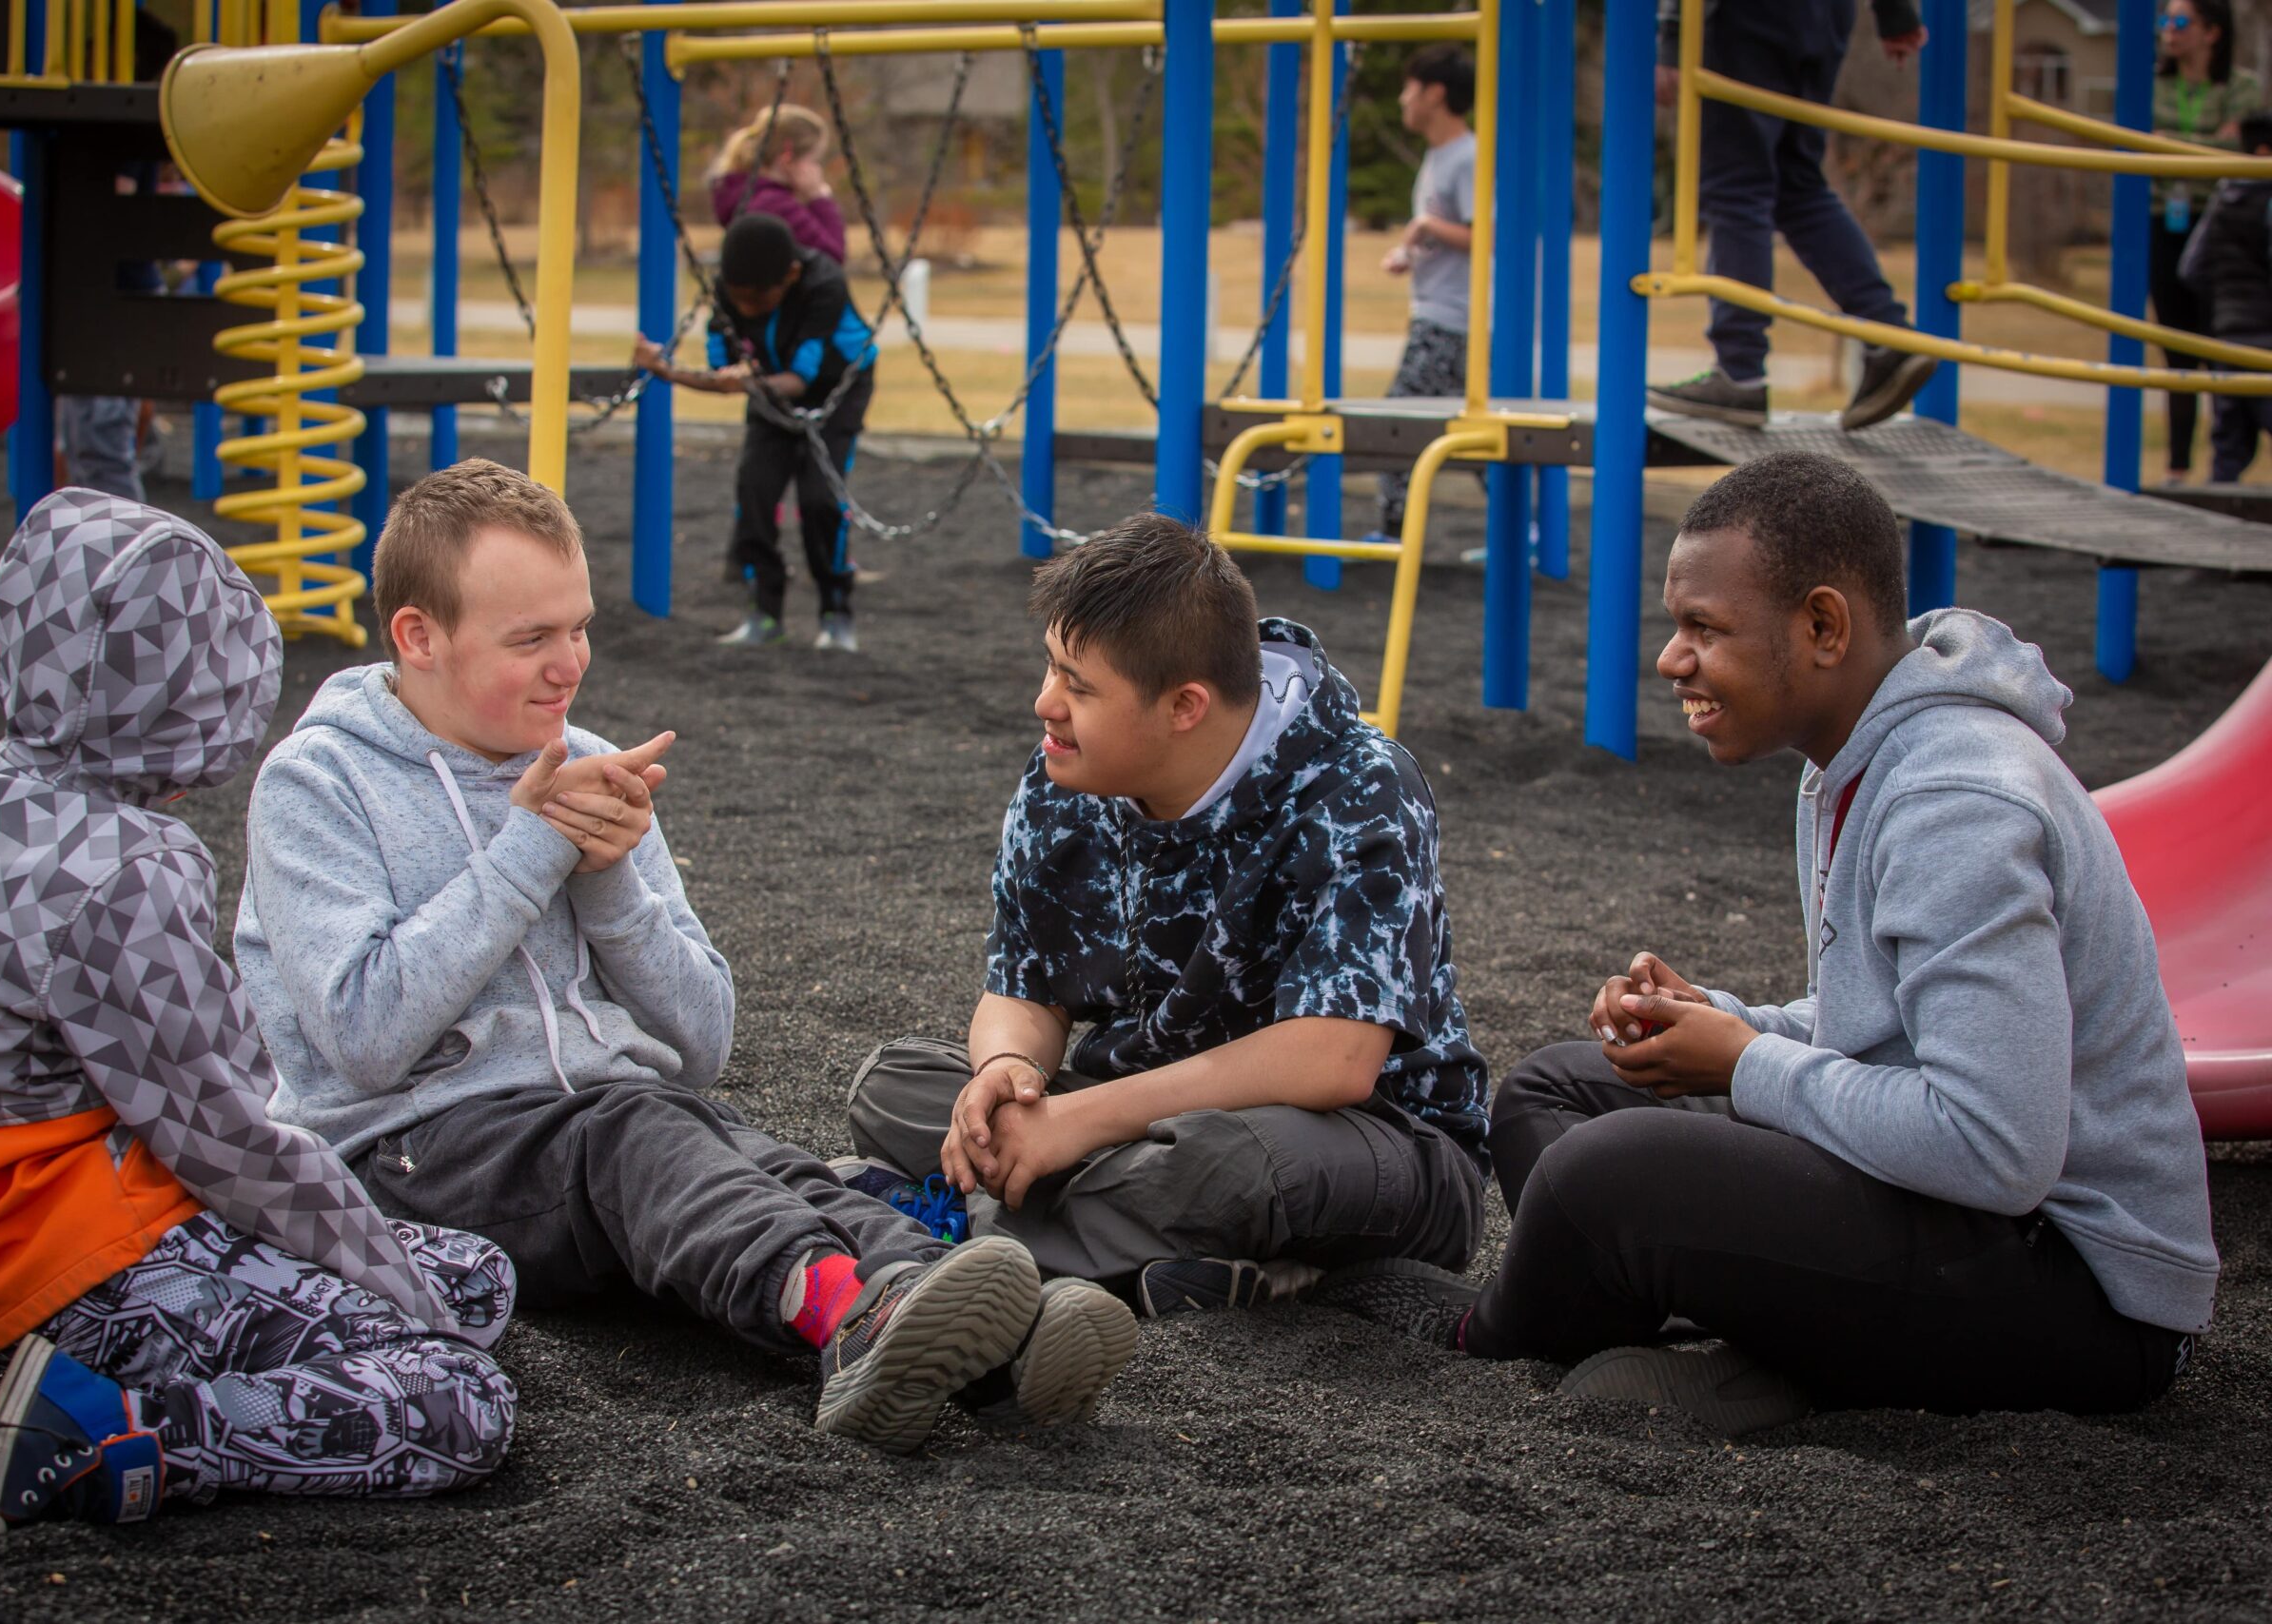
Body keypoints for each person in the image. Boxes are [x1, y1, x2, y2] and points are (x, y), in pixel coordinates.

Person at [1317, 453, 2220, 1437]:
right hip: (1967, 1218)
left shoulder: (1951, 798)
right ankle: (1739, 1351)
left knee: (1607, 1171)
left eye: (1705, 628)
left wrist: (1746, 1064)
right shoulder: (1856, 760)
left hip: (2081, 1293)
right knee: (1554, 1093)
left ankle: (1485, 1336)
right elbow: (1885, 1029)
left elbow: (1996, 1148)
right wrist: (1723, 1022)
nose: (1671, 659)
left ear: (1821, 627)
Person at [236, 460, 1127, 1448]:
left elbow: (701, 1044)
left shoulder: (587, 761)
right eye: (529, 638)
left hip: (609, 1121)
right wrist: (533, 851)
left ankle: (978, 1335)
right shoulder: (316, 784)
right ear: (419, 637)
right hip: (405, 1157)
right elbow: (364, 1037)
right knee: (642, 1137)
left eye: (578, 627)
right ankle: (848, 1319)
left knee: (768, 1162)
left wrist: (609, 885)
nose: (568, 664)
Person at [0, 491, 519, 1539]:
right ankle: (112, 1436)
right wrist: (383, 1282)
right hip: (88, 1259)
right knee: (457, 1394)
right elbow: (231, 1134)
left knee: (475, 1275)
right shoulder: (122, 871)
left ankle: (83, 1389)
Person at [839, 514, 1490, 1320]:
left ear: (1184, 705)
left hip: (1363, 1140)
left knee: (1230, 1166)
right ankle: (1161, 1263)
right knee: (895, 1082)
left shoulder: (1359, 788)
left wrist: (1075, 1122)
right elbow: (1026, 990)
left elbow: (1335, 1060)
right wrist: (1008, 1073)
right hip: (1134, 1121)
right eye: (1051, 667)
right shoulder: (1061, 778)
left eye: (1079, 685)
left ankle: (939, 1226)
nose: (1046, 703)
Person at [1645, 0, 1941, 431]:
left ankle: (1739, 372)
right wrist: (1894, 12)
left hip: (1745, 19)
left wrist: (1671, 35)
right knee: (1795, 187)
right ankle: (1888, 336)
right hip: (1825, 17)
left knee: (1737, 187)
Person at [634, 214, 875, 653]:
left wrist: (743, 381)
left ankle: (836, 613)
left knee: (820, 500)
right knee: (754, 494)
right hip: (769, 391)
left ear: (792, 275)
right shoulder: (728, 289)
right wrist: (663, 369)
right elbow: (720, 367)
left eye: (758, 299)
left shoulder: (824, 284)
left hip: (836, 393)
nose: (746, 309)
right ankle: (764, 613)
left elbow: (800, 378)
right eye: (738, 298)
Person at [1373, 44, 1482, 541]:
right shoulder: (1439, 157)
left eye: (1410, 88)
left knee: (1397, 421)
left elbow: (1488, 236)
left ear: (1435, 94)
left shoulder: (1467, 157)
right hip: (1441, 314)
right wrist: (1412, 250)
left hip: (1452, 318)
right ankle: (1523, 527)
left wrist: (1424, 226)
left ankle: (1394, 533)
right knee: (1473, 431)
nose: (1402, 99)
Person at [2153, 0, 2263, 484]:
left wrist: (2168, 143)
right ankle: (2178, 466)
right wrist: (2209, 143)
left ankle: (2224, 473)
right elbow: (2137, 145)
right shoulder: (2152, 86)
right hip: (2161, 222)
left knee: (2221, 347)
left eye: (2180, 22)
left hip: (2221, 227)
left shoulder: (2243, 88)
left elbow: (2243, 154)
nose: (2169, 33)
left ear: (2211, 32)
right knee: (2174, 350)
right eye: (2164, 22)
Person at [2178, 110, 2272, 480]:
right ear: (2265, 151)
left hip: (2229, 339)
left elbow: (2190, 267)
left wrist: (2225, 303)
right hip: (2266, 338)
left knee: (2229, 449)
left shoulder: (2222, 196)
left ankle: (2214, 515)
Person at [709, 102, 849, 266]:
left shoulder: (749, 193)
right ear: (787, 159)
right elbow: (831, 260)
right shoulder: (774, 205)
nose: (817, 170)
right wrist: (819, 199)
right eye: (814, 160)